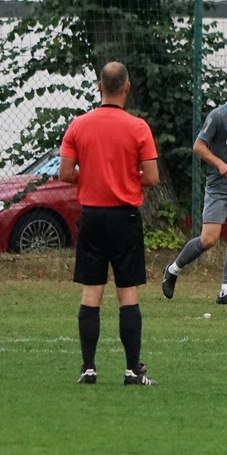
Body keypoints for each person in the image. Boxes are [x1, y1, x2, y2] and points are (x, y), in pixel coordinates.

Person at [58, 62, 159, 386]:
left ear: (99, 86)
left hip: (92, 217)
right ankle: (132, 371)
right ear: (127, 87)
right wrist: (123, 177)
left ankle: (88, 368)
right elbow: (152, 177)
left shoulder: (78, 125)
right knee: (128, 294)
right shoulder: (138, 127)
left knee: (91, 294)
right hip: (124, 218)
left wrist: (93, 175)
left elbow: (65, 173)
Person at [162, 66, 227, 305]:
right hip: (218, 187)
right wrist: (220, 164)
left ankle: (225, 291)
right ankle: (173, 270)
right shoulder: (218, 116)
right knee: (209, 239)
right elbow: (198, 146)